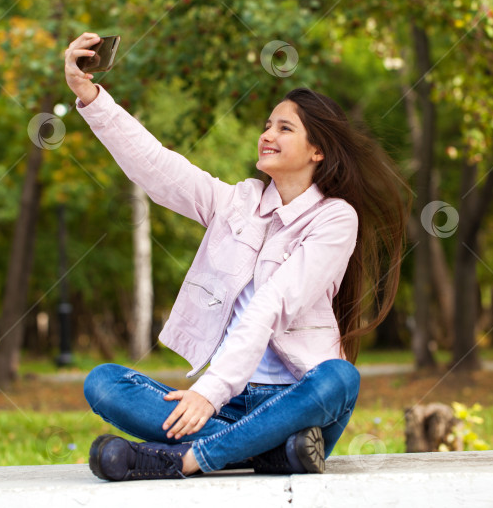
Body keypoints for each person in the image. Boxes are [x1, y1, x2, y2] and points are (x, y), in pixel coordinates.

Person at [63, 32, 408, 480]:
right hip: (228, 402)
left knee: (340, 379)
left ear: (317, 150)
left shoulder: (335, 220)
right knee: (104, 384)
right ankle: (267, 452)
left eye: (285, 128)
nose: (267, 135)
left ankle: (189, 458)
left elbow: (272, 303)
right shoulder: (237, 203)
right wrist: (89, 96)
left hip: (295, 401)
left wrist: (209, 391)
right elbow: (160, 168)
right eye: (268, 125)